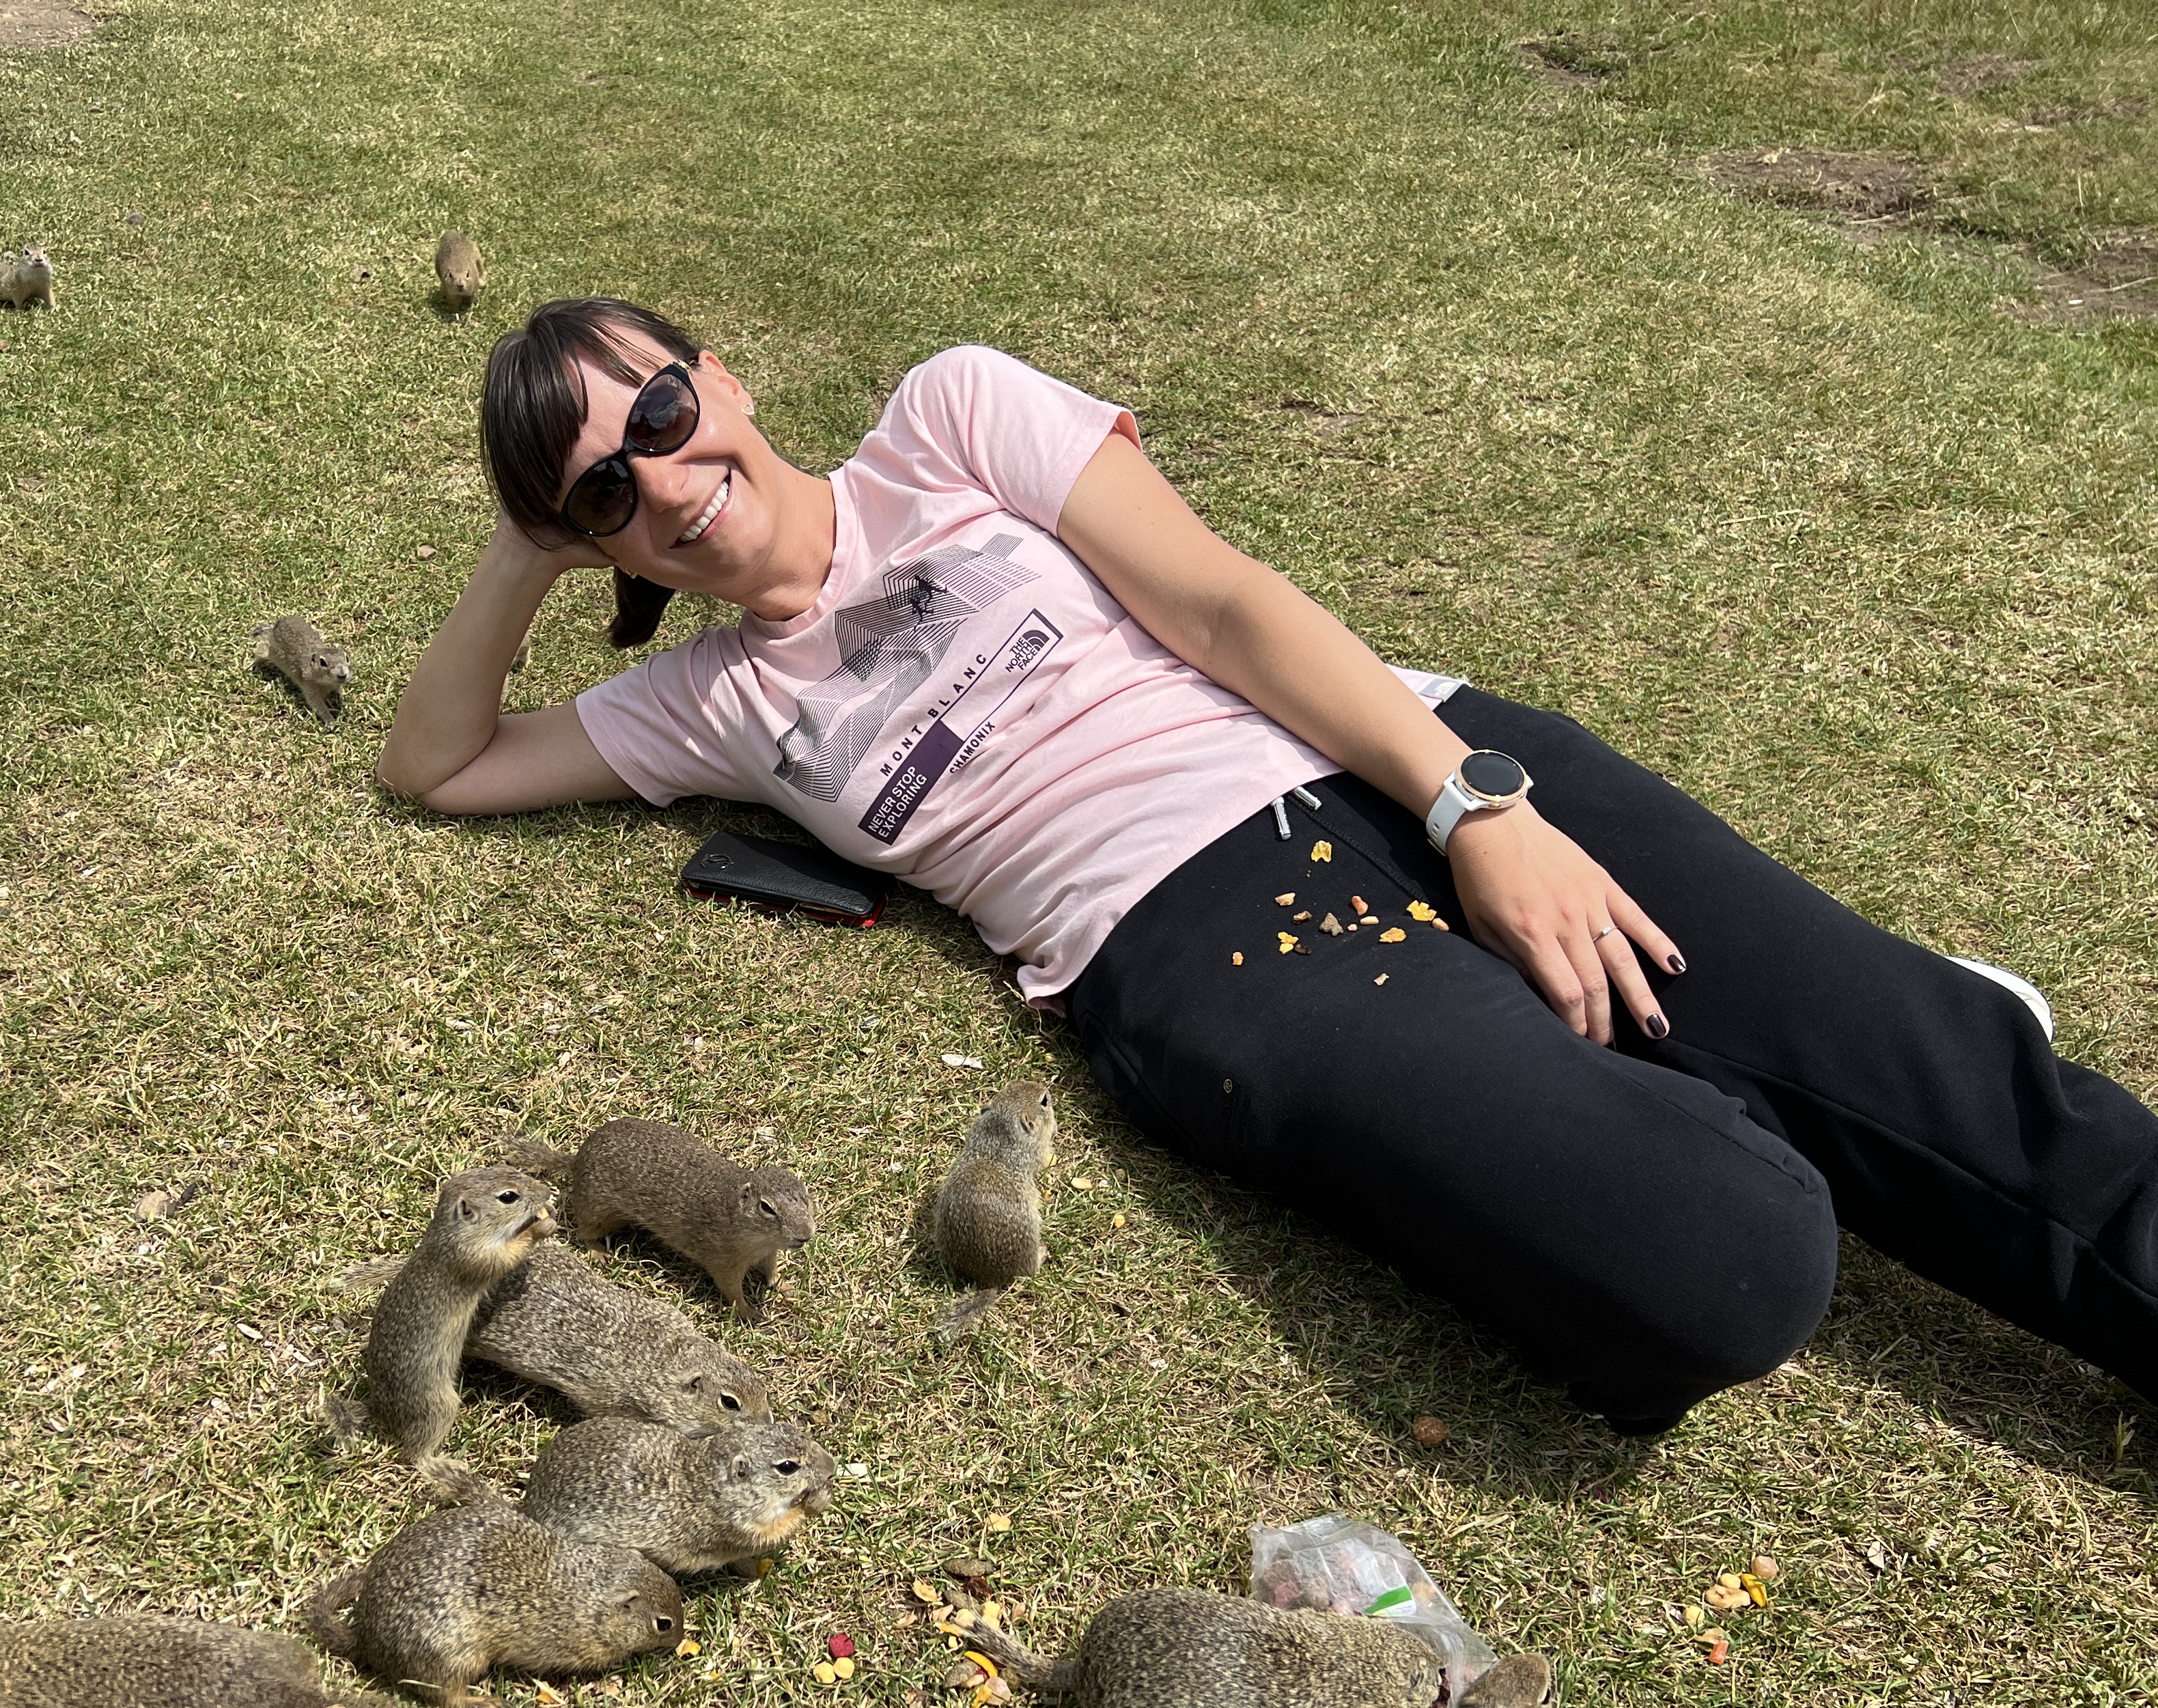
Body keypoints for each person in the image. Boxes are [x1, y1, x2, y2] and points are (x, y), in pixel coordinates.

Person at [379, 297, 2158, 1432]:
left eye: (664, 408)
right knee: (1729, 1261)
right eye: (606, 494)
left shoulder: (950, 418)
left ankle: (1826, 1065)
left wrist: (1478, 810)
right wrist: (519, 552)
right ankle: (1745, 1101)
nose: (668, 480)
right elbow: (436, 767)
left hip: (1388, 753)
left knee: (1952, 1075)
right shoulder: (703, 706)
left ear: (726, 374)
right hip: (1198, 941)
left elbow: (1226, 602)